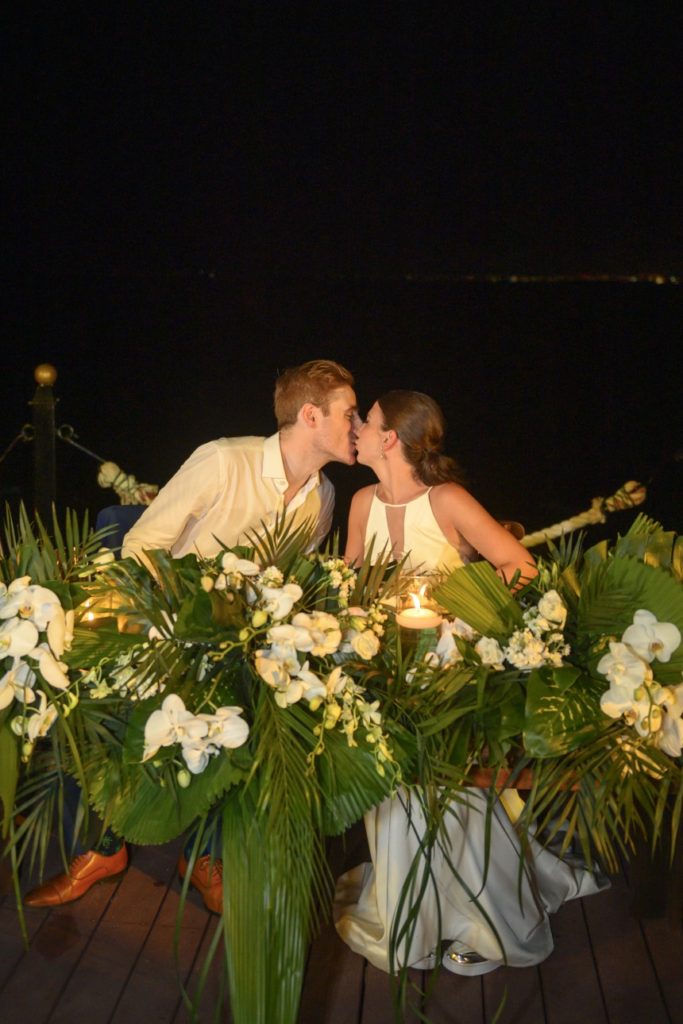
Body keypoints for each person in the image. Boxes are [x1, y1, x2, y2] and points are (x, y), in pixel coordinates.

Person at [24, 359, 360, 912]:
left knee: (269, 709)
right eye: (349, 413)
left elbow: (286, 584)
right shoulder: (224, 461)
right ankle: (101, 847)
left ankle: (204, 855)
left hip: (236, 647)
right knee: (90, 708)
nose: (355, 425)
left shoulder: (321, 500)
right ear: (310, 416)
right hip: (163, 624)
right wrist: (177, 624)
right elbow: (143, 543)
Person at [334, 390, 607, 975]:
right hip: (383, 671)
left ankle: (476, 907)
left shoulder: (447, 500)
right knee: (393, 789)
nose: (355, 428)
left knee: (448, 788)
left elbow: (521, 567)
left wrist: (466, 615)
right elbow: (349, 579)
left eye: (367, 421)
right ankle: (412, 906)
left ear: (390, 439)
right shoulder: (360, 501)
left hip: (451, 677)